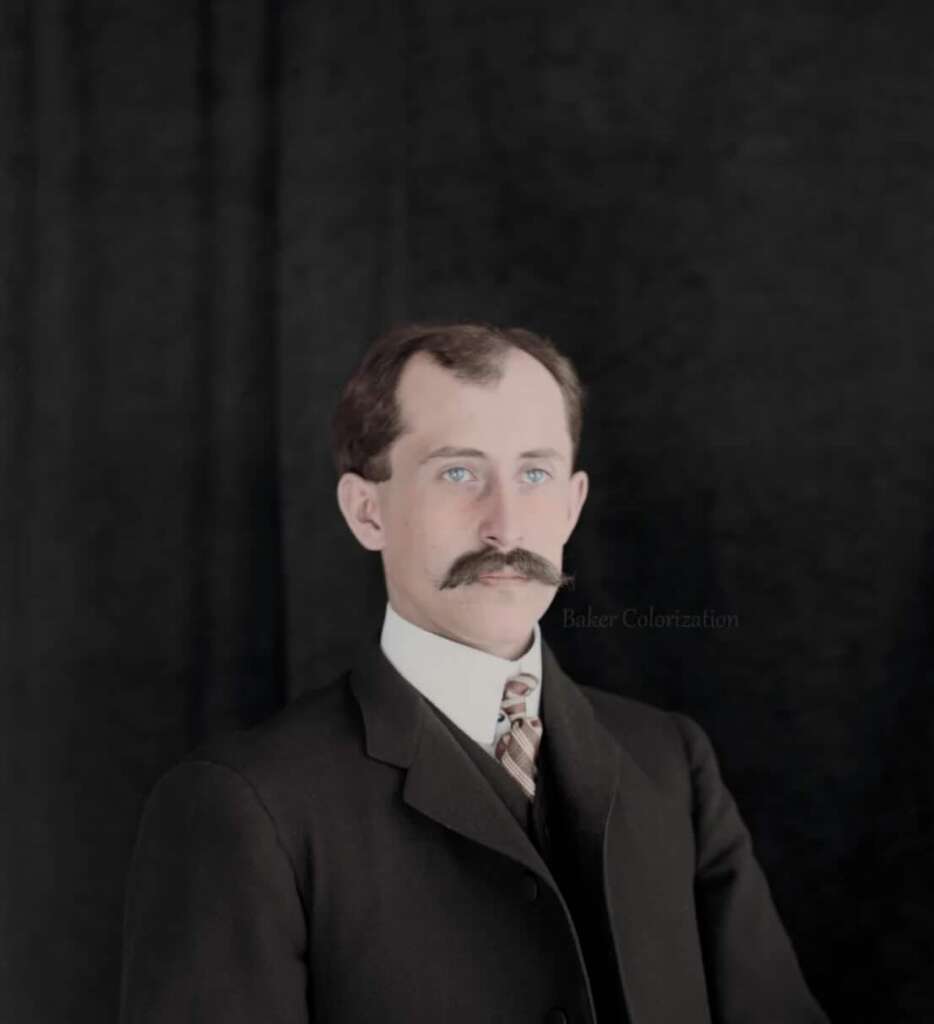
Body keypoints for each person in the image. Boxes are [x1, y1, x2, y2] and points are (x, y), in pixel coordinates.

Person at [119, 322, 829, 1023]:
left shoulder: (672, 764)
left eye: (535, 474)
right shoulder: (243, 806)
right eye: (458, 472)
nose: (506, 526)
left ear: (573, 504)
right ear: (366, 512)